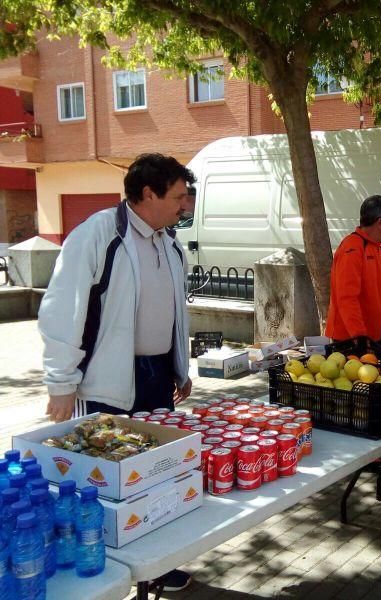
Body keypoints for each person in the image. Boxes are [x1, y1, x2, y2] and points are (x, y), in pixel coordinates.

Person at [39, 153, 196, 592]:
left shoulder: (168, 241)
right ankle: (110, 566)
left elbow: (173, 311)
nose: (185, 205)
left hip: (158, 375)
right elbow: (63, 312)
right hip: (111, 381)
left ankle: (159, 563)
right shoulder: (97, 235)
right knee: (113, 481)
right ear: (149, 193)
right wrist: (61, 383)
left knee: (159, 472)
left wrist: (179, 367)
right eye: (179, 196)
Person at [325, 195, 381, 342]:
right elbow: (347, 298)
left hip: (371, 337)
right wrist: (359, 337)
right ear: (380, 222)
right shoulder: (352, 248)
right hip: (349, 339)